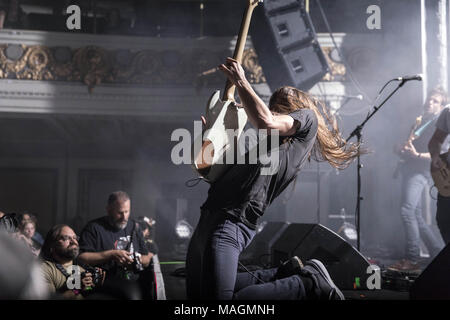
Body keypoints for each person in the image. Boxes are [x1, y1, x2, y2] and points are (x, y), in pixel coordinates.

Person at [186, 57, 361, 300]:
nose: (273, 109)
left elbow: (265, 121)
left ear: (295, 106)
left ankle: (306, 284)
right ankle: (283, 273)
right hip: (208, 218)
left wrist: (241, 81)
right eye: (272, 104)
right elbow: (212, 173)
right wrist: (212, 137)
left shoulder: (306, 119)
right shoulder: (264, 146)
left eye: (280, 105)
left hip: (231, 222)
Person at [389, 88, 447, 272]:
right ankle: (438, 253)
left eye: (435, 101)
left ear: (441, 105)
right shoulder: (420, 120)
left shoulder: (441, 123)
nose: (430, 103)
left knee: (407, 211)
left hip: (422, 171)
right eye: (429, 100)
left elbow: (439, 155)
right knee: (416, 215)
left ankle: (412, 259)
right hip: (409, 168)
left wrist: (416, 155)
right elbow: (406, 143)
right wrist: (400, 148)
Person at [77, 191, 153, 297]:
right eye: (120, 213)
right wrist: (111, 254)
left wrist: (136, 261)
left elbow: (147, 257)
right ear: (108, 210)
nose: (124, 217)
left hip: (133, 285)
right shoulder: (94, 228)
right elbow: (81, 257)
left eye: (127, 212)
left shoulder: (134, 227)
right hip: (103, 288)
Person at [40, 224, 103, 299]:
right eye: (66, 238)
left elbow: (86, 292)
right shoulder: (44, 270)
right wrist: (76, 289)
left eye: (75, 238)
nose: (74, 242)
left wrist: (97, 285)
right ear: (52, 244)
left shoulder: (81, 269)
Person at [428, 105, 450, 244]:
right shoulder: (448, 111)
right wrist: (435, 155)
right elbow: (435, 140)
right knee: (443, 220)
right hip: (448, 175)